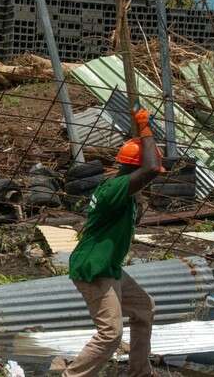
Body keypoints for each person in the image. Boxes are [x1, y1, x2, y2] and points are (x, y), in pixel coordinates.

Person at [65, 108, 165, 377]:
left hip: (108, 265)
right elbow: (152, 168)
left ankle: (139, 372)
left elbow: (148, 168)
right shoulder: (115, 189)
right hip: (94, 267)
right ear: (135, 170)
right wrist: (145, 128)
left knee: (144, 308)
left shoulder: (125, 193)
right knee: (110, 333)